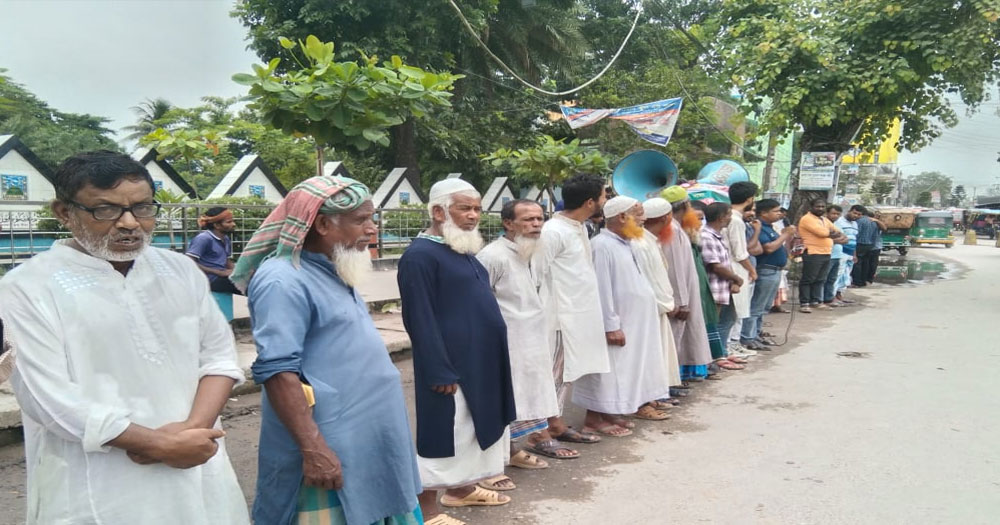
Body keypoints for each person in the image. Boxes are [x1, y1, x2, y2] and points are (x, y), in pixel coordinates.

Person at [0, 151, 248, 524]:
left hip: (197, 465)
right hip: (101, 488)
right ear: (64, 212)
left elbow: (219, 358)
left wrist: (190, 431)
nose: (130, 223)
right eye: (105, 210)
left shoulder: (179, 270)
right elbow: (48, 401)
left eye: (143, 208)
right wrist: (160, 444)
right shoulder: (26, 288)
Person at [236, 175, 423, 525]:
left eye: (373, 219)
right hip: (330, 448)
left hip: (367, 439)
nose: (372, 230)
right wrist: (313, 448)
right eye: (361, 220)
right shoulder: (283, 279)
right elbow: (278, 372)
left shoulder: (335, 268)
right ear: (322, 223)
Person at [397, 178, 517, 524]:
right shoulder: (420, 256)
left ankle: (461, 490)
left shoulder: (459, 249)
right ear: (438, 211)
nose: (474, 215)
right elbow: (419, 319)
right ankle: (427, 509)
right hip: (450, 365)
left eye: (477, 208)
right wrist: (438, 369)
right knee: (445, 433)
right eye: (465, 208)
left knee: (472, 428)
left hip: (479, 360)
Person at [477, 199, 570, 482]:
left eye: (540, 218)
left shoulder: (532, 252)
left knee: (524, 398)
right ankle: (489, 466)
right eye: (528, 219)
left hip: (531, 339)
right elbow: (481, 303)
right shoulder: (491, 256)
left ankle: (512, 450)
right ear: (508, 223)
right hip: (505, 342)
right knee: (505, 399)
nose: (536, 224)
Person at [574, 196, 671, 437]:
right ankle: (592, 420)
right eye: (638, 213)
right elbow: (601, 289)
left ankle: (609, 413)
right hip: (616, 323)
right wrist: (611, 325)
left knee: (624, 371)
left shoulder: (627, 243)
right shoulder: (602, 245)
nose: (643, 219)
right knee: (608, 373)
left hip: (634, 322)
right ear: (621, 217)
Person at [537, 174, 610, 445]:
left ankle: (555, 422)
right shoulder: (553, 231)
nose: (605, 200)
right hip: (557, 316)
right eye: (604, 195)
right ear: (590, 202)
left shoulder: (579, 227)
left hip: (576, 314)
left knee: (565, 373)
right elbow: (536, 273)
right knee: (553, 374)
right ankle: (541, 431)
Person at [660, 186, 714, 383]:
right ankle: (668, 382)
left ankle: (675, 379)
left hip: (684, 293)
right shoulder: (672, 230)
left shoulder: (677, 228)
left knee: (682, 337)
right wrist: (681, 301)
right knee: (674, 339)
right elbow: (674, 270)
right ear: (684, 205)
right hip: (679, 298)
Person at [635, 198, 683, 397]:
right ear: (667, 218)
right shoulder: (640, 243)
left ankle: (655, 396)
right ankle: (646, 400)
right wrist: (665, 303)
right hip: (651, 308)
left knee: (660, 355)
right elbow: (645, 279)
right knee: (649, 357)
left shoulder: (649, 240)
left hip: (660, 306)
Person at [740, 199, 796, 349]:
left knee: (764, 307)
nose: (780, 214)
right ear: (764, 213)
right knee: (756, 306)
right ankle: (747, 337)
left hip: (775, 270)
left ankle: (756, 334)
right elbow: (769, 248)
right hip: (765, 269)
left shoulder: (771, 227)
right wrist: (785, 235)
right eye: (776, 211)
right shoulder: (760, 227)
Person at [699, 202, 747, 372]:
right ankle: (712, 357)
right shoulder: (706, 236)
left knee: (719, 322)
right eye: (728, 214)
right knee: (711, 324)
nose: (730, 218)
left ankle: (720, 353)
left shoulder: (717, 235)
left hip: (722, 286)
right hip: (713, 287)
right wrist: (737, 279)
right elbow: (715, 266)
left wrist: (733, 281)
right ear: (721, 217)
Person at [717, 182, 758, 355]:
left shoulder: (732, 217)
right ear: (750, 199)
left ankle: (725, 350)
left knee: (730, 316)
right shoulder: (735, 220)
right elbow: (740, 253)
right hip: (733, 270)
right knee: (728, 317)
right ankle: (722, 352)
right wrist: (752, 271)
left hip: (729, 268)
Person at [796, 198, 844, 312]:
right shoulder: (807, 219)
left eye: (822, 206)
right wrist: (831, 234)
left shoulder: (824, 219)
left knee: (820, 279)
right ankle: (805, 303)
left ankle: (816, 301)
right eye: (818, 206)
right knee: (808, 279)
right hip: (812, 252)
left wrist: (832, 234)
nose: (820, 209)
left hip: (826, 252)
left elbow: (838, 231)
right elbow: (822, 233)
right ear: (811, 207)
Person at [187, 206, 242, 294]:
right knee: (245, 285)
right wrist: (218, 272)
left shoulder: (226, 238)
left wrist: (240, 271)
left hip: (221, 278)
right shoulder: (203, 239)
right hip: (209, 280)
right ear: (216, 225)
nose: (233, 224)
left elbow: (226, 260)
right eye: (229, 222)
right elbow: (189, 262)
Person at [821, 205, 850, 307]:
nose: (835, 216)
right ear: (827, 213)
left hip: (838, 254)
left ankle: (828, 299)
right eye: (833, 213)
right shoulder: (823, 224)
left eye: (838, 214)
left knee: (832, 279)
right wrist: (836, 240)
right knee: (823, 279)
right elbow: (824, 239)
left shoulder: (838, 224)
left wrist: (836, 240)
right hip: (827, 254)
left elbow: (845, 238)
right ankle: (820, 299)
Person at [834, 206, 863, 302]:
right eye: (855, 213)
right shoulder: (839, 222)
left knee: (846, 275)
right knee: (838, 274)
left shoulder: (855, 224)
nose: (856, 216)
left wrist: (854, 254)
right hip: (841, 252)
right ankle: (832, 296)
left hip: (850, 253)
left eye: (859, 215)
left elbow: (854, 239)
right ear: (849, 211)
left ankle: (840, 295)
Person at [852, 207, 886, 287]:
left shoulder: (859, 221)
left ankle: (857, 282)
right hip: (870, 245)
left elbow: (856, 234)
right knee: (866, 264)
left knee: (857, 263)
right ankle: (864, 281)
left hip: (860, 244)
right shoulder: (874, 222)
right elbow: (875, 235)